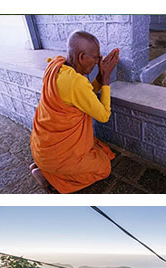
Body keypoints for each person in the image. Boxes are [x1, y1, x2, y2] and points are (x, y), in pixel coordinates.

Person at [30, 30, 121, 193]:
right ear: (81, 57)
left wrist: (99, 76)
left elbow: (83, 97)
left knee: (95, 148)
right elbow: (103, 115)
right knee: (104, 168)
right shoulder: (76, 82)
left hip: (42, 147)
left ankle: (44, 166)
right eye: (96, 57)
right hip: (57, 155)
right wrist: (106, 79)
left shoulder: (56, 65)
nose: (98, 61)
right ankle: (49, 177)